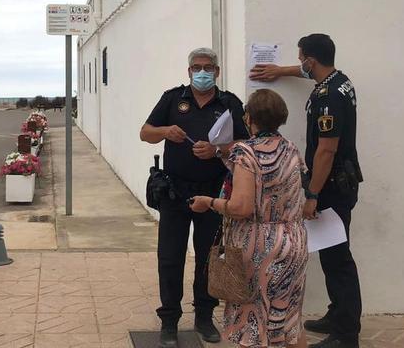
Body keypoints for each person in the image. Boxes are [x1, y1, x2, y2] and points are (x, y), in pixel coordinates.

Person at [249, 34, 362, 348]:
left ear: (311, 59)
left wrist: (312, 195)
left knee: (338, 258)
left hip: (332, 186)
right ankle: (338, 314)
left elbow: (326, 150)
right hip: (339, 181)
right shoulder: (340, 81)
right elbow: (306, 72)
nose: (300, 64)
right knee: (331, 254)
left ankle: (345, 334)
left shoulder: (329, 98)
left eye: (301, 59)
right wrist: (280, 71)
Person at [140, 47, 250, 348]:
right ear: (189, 71)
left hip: (213, 193)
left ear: (217, 71)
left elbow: (244, 143)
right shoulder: (173, 99)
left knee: (208, 258)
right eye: (197, 67)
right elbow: (145, 132)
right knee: (170, 257)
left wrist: (217, 150)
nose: (203, 72)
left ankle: (204, 317)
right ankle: (169, 321)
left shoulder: (228, 103)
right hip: (174, 193)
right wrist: (165, 131)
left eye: (209, 67)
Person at [189, 88, 309, 348]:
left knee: (253, 323)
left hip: (260, 247)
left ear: (248, 118)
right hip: (294, 240)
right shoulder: (291, 148)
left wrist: (208, 202)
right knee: (289, 320)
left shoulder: (245, 152)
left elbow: (241, 207)